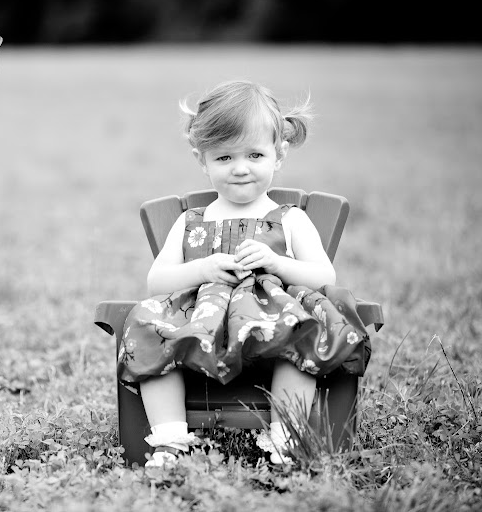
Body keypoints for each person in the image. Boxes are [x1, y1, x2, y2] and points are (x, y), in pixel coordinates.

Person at [116, 81, 371, 467]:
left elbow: (324, 275)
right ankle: (169, 440)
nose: (240, 168)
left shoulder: (290, 219)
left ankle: (286, 438)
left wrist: (277, 264)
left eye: (255, 155)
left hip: (274, 328)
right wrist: (202, 268)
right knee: (149, 327)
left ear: (279, 154)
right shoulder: (191, 221)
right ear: (202, 160)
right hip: (201, 329)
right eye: (224, 157)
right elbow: (156, 282)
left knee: (303, 334)